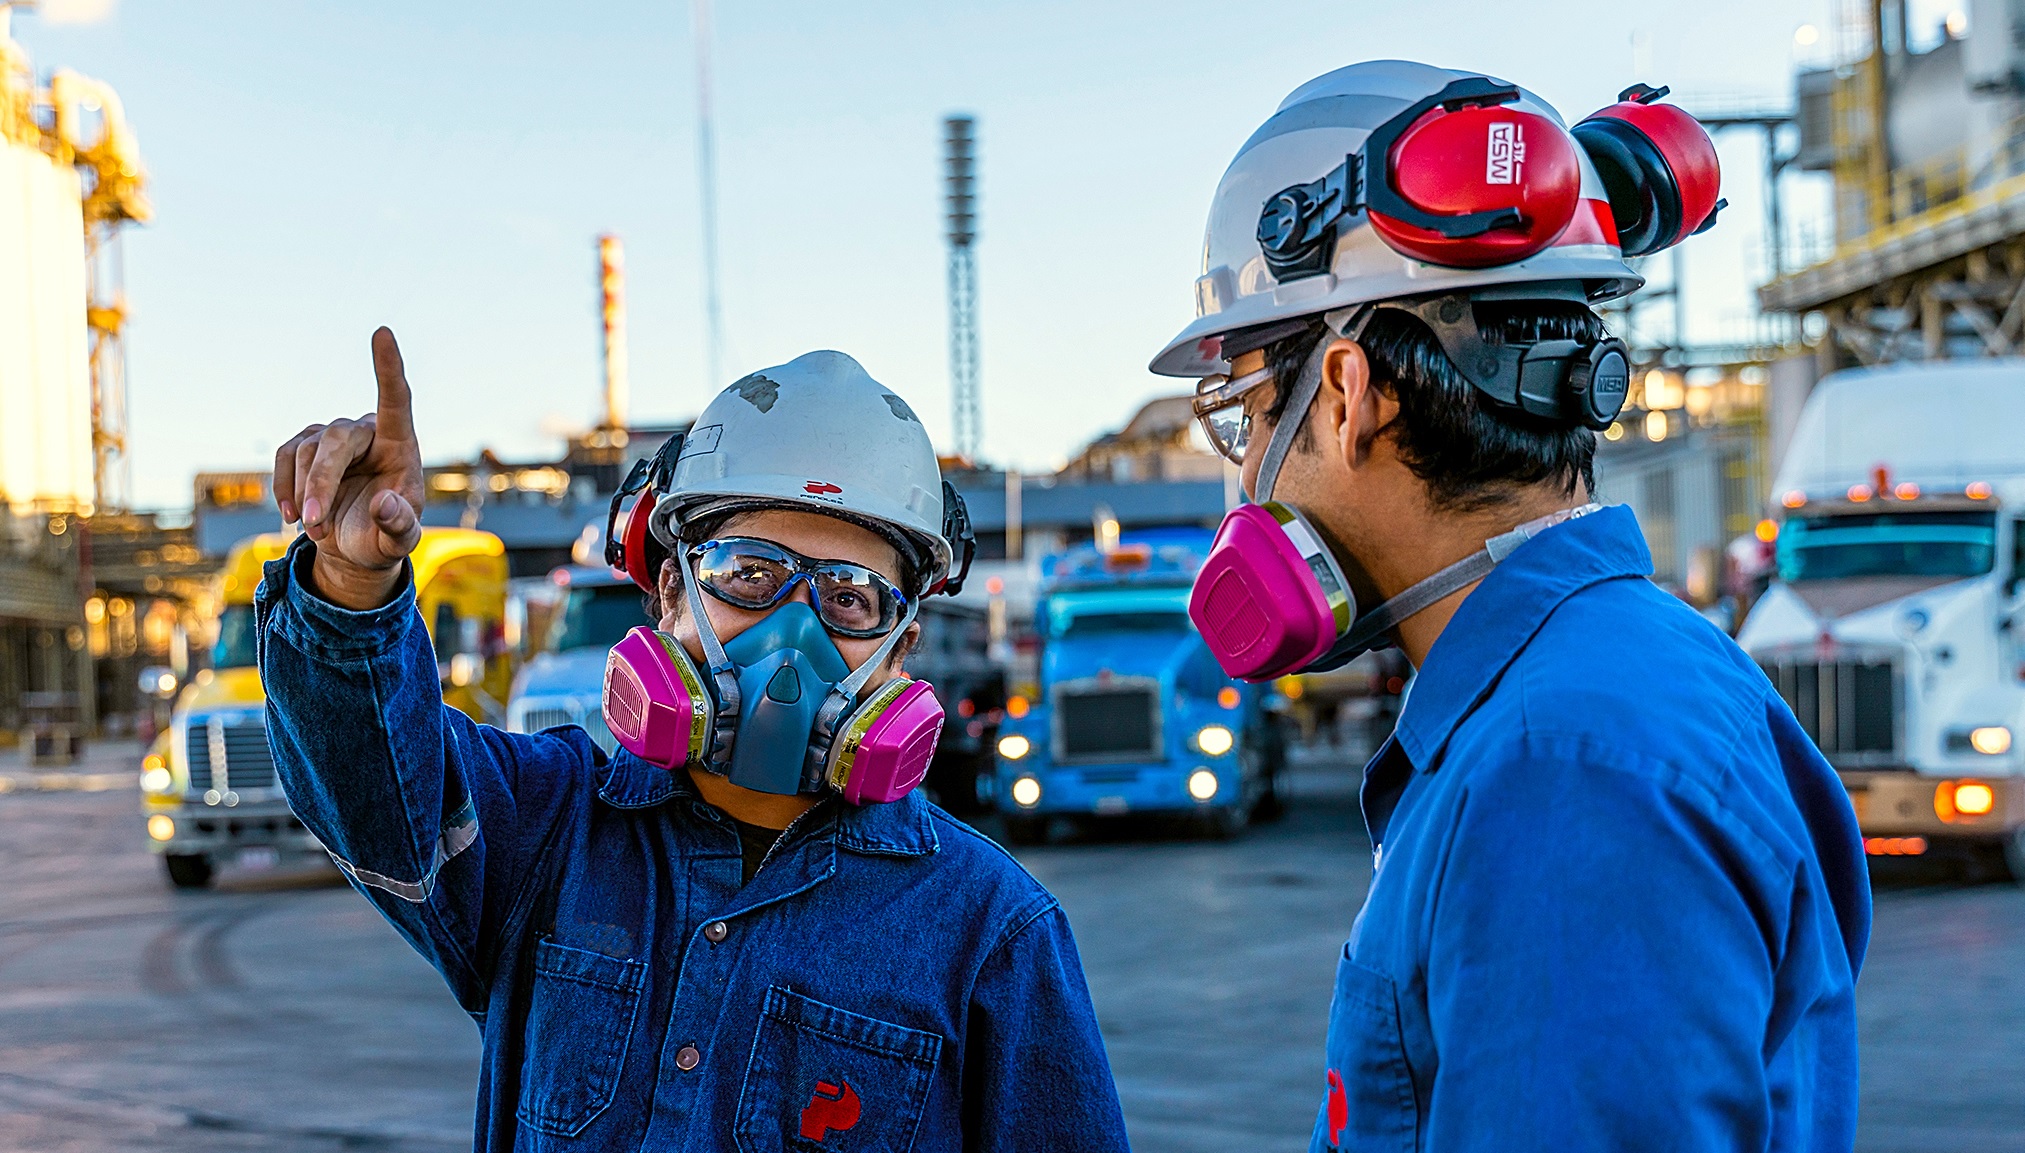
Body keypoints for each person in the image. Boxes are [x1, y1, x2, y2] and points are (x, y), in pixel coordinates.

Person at [1152, 61, 1869, 1150]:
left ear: (1347, 394)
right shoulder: (1628, 678)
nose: (1247, 477)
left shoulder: (1560, 764)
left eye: (1248, 417)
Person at [257, 336, 1129, 1152]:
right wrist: (349, 582)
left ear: (899, 646)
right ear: (670, 589)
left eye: (850, 596)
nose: (793, 635)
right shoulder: (546, 832)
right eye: (748, 573)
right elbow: (371, 781)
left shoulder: (991, 934)